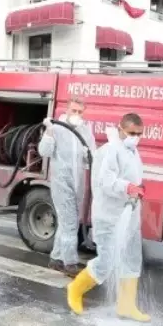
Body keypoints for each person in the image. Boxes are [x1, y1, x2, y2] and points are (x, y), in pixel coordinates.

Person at [66, 113, 149, 321]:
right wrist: (128, 187)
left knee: (131, 260)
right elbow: (106, 181)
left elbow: (132, 176)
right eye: (132, 133)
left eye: (139, 134)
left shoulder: (131, 151)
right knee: (107, 262)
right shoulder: (111, 151)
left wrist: (138, 186)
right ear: (120, 128)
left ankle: (126, 306)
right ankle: (75, 289)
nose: (136, 137)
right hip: (109, 217)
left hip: (128, 215)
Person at [38, 97, 96, 275]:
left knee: (66, 222)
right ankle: (70, 263)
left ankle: (55, 259)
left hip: (77, 183)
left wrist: (88, 154)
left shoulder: (85, 131)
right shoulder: (57, 129)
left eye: (80, 112)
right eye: (74, 111)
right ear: (67, 110)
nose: (77, 115)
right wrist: (48, 132)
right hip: (61, 182)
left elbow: (91, 159)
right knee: (70, 223)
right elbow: (44, 152)